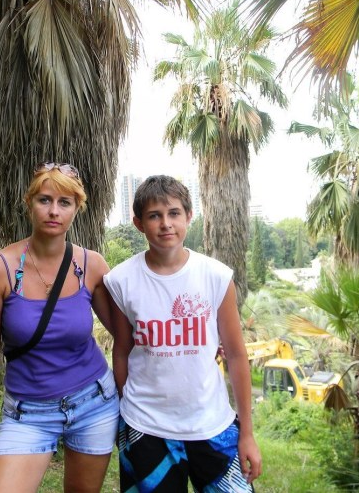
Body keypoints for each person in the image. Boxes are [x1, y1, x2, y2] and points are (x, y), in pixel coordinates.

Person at [104, 175, 262, 493]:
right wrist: (126, 414)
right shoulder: (121, 280)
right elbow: (121, 350)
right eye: (154, 215)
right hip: (145, 427)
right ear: (138, 223)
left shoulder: (216, 276)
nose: (166, 223)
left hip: (212, 424)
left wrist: (247, 433)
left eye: (174, 213)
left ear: (189, 216)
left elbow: (235, 354)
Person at [0, 162, 119, 493]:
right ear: (29, 204)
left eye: (65, 202)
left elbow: (127, 335)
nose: (54, 211)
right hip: (28, 413)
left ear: (77, 209)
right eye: (44, 200)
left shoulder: (91, 265)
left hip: (94, 402)